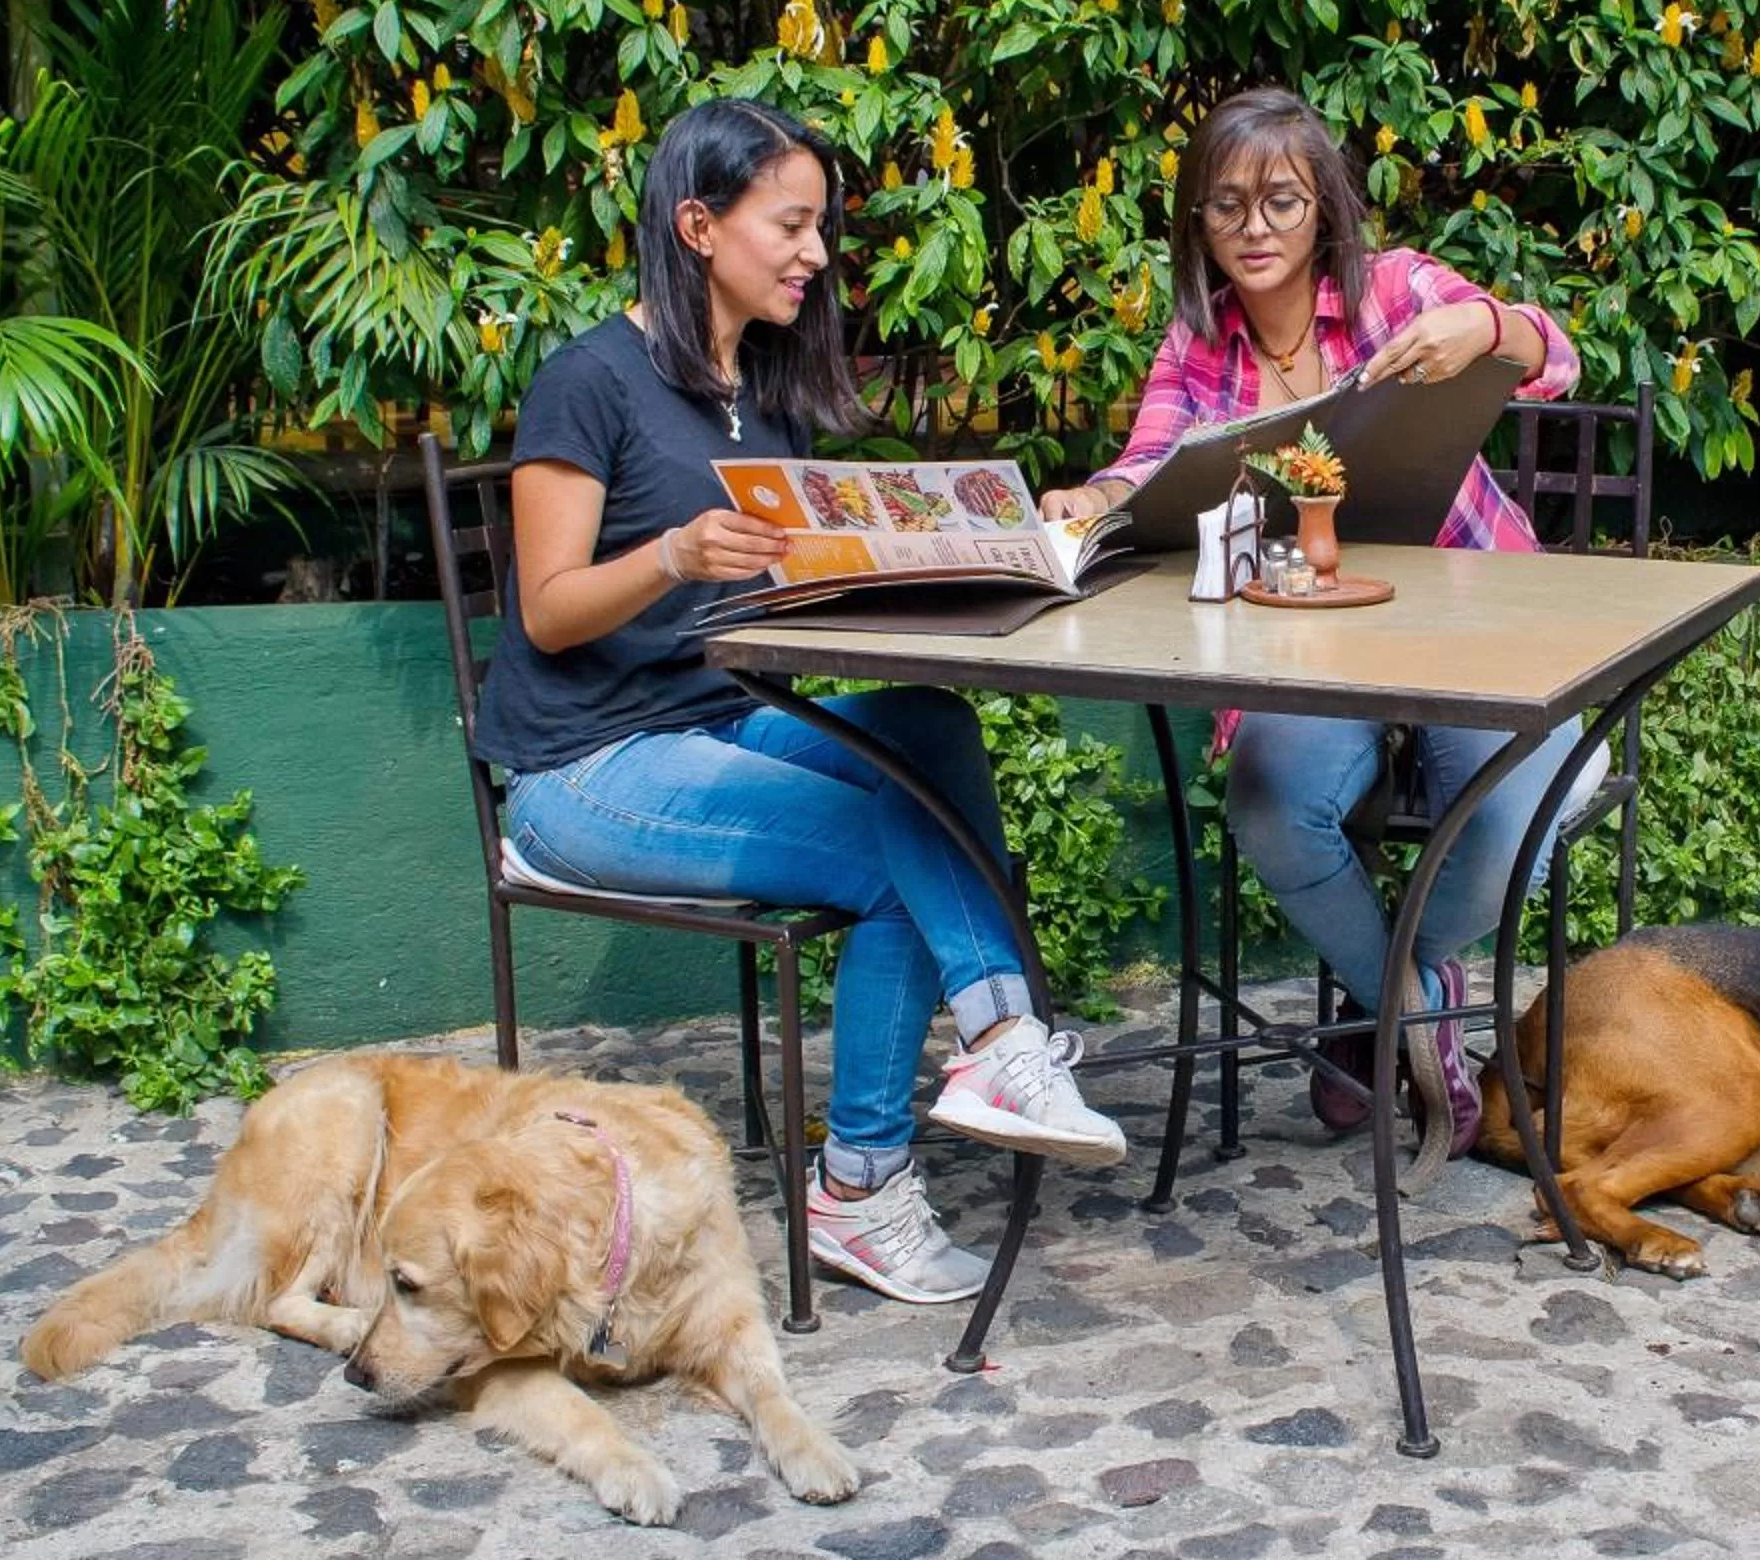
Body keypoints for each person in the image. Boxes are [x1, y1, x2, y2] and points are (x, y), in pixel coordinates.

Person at [474, 97, 1125, 1307]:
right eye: (793, 223)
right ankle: (873, 1177)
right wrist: (673, 555)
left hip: (714, 722)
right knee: (887, 852)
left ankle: (994, 1050)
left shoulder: (753, 392)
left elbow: (780, 588)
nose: (817, 253)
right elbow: (549, 610)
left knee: (929, 731)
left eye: (819, 226)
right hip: (584, 770)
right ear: (697, 225)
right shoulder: (586, 383)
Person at [1037, 87, 1585, 1149]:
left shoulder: (1393, 290)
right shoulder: (1203, 345)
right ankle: (1409, 1011)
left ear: (1325, 209)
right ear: (1197, 220)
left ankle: (1376, 1004)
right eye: (1225, 205)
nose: (1253, 228)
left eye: (1281, 203)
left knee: (1523, 809)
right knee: (1270, 803)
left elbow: (1554, 358)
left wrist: (1485, 323)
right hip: (1296, 643)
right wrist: (1091, 500)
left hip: (1465, 611)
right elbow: (1145, 462)